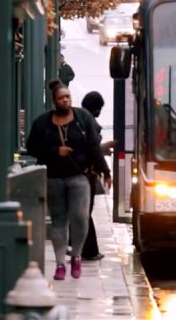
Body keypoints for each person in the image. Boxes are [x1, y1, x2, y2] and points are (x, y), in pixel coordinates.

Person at [25, 80, 111, 280]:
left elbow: (93, 146)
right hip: (54, 178)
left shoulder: (82, 118)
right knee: (59, 221)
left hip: (79, 176)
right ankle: (60, 264)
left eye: (68, 97)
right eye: (61, 98)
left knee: (80, 217)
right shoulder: (42, 123)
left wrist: (105, 170)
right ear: (54, 101)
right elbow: (32, 148)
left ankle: (77, 255)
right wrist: (56, 151)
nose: (65, 100)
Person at [76, 91, 114, 261]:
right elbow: (93, 150)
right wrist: (106, 171)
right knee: (86, 211)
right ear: (97, 108)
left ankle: (74, 244)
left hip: (72, 172)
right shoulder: (91, 123)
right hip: (86, 173)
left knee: (78, 211)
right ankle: (89, 250)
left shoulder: (75, 119)